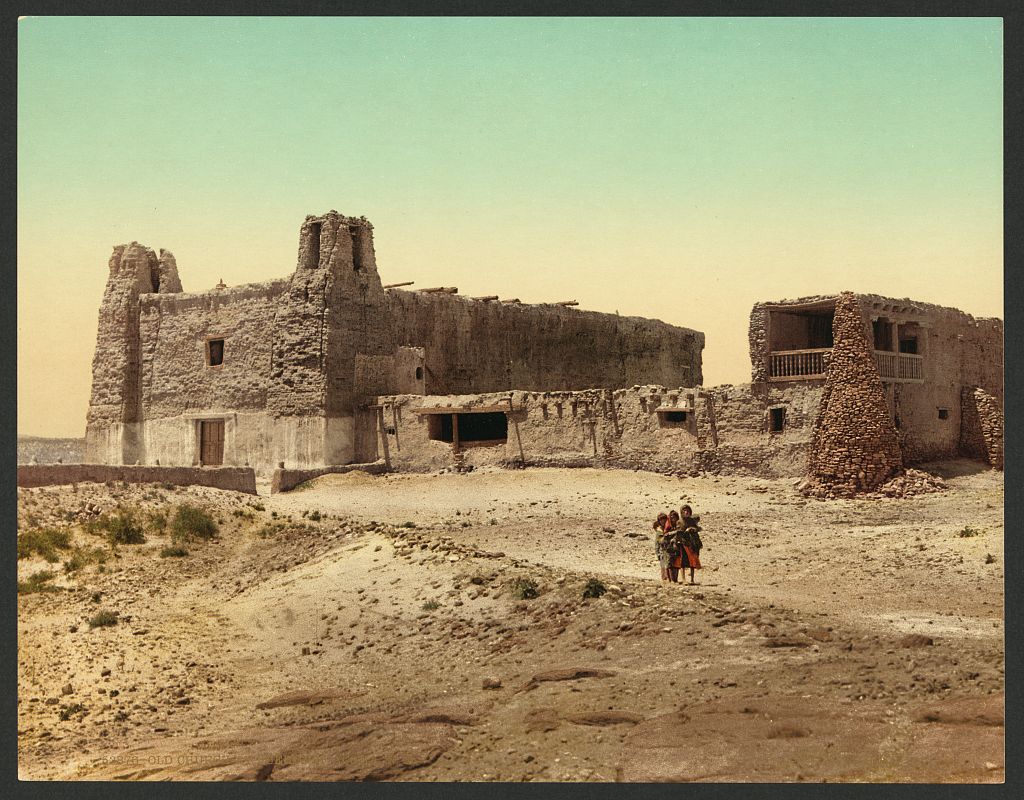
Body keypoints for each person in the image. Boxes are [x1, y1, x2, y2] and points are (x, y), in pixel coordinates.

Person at [678, 504, 703, 584]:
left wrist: (693, 529)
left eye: (687, 511)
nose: (686, 512)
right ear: (681, 512)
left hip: (692, 543)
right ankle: (683, 579)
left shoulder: (691, 521)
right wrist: (686, 531)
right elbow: (678, 532)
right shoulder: (680, 521)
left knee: (692, 562)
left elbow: (697, 528)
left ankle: (692, 579)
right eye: (684, 511)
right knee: (683, 562)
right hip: (683, 543)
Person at [653, 513, 672, 582]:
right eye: (661, 520)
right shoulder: (659, 531)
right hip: (662, 551)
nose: (663, 521)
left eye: (664, 519)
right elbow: (657, 543)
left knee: (669, 565)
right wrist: (657, 552)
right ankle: (664, 579)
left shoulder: (669, 529)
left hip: (669, 550)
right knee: (663, 565)